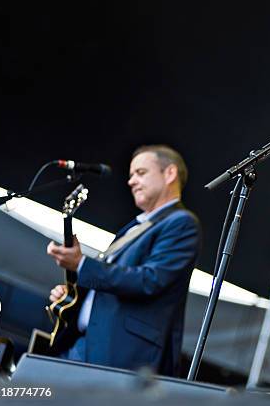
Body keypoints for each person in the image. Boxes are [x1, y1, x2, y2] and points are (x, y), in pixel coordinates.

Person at [47, 145, 201, 376]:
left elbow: (150, 280)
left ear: (169, 174)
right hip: (83, 346)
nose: (131, 182)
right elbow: (110, 283)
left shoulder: (182, 223)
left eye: (140, 173)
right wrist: (74, 297)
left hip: (122, 355)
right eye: (130, 176)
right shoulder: (134, 227)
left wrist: (81, 265)